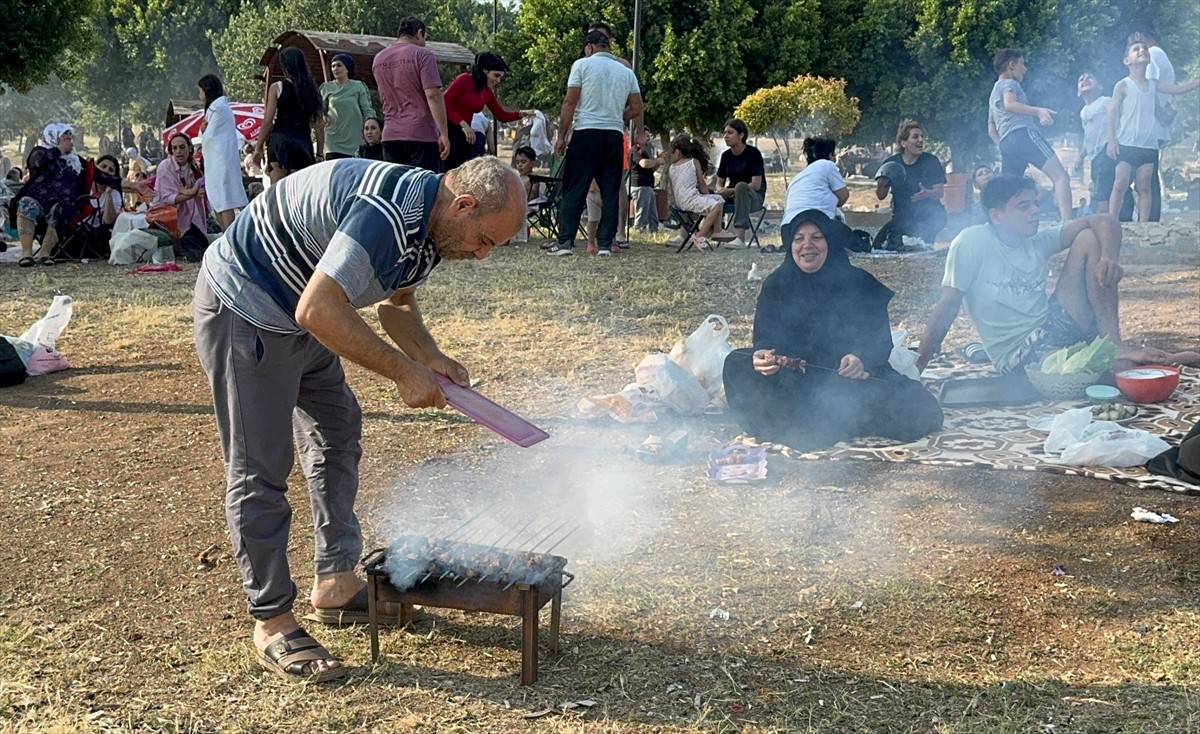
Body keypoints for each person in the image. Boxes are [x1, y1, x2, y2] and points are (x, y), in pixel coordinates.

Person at [192, 156, 526, 683]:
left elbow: (397, 304)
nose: (482, 255)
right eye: (484, 239)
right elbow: (319, 311)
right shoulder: (387, 215)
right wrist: (402, 372)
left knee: (337, 428)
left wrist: (429, 356)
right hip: (249, 306)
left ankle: (334, 582)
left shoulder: (435, 225)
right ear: (463, 205)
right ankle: (273, 622)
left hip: (301, 308)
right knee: (261, 466)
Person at [916, 174, 1200, 375]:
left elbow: (1105, 220)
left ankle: (1113, 343)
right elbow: (946, 307)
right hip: (1018, 354)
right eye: (1024, 206)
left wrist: (1109, 259)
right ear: (996, 216)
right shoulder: (972, 241)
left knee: (1089, 237)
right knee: (1109, 373)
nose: (1036, 211)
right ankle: (1143, 360)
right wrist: (919, 366)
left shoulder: (1036, 240)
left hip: (1054, 327)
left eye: (1036, 203)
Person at [722, 209, 943, 450]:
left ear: (829, 241)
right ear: (790, 245)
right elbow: (764, 338)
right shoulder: (777, 284)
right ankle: (828, 422)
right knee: (736, 362)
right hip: (793, 382)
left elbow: (879, 341)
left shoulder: (858, 282)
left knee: (923, 410)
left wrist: (860, 358)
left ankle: (827, 422)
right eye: (799, 239)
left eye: (816, 237)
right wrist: (761, 358)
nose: (807, 245)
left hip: (847, 381)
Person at [547, 29, 643, 256]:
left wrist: (561, 136)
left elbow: (570, 102)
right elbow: (638, 107)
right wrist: (619, 117)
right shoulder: (625, 71)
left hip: (586, 132)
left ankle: (565, 242)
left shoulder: (581, 65)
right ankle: (605, 243)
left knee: (574, 188)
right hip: (613, 135)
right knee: (610, 190)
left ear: (589, 48)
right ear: (609, 47)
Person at [8, 123, 148, 267]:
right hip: (37, 199)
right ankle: (26, 254)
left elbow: (104, 177)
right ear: (54, 137)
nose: (69, 139)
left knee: (64, 208)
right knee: (26, 203)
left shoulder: (76, 161)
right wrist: (60, 150)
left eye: (70, 136)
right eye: (65, 136)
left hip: (63, 203)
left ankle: (45, 253)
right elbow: (37, 162)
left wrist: (134, 185)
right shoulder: (40, 152)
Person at [1105, 41, 1199, 221]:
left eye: (1144, 49)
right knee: (1120, 183)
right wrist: (1111, 140)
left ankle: (1143, 225)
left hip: (1148, 145)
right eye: (1136, 49)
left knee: (1144, 185)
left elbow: (1178, 89)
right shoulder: (1123, 85)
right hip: (1126, 142)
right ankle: (1111, 221)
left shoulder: (1154, 84)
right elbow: (1111, 112)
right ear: (1127, 61)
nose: (1142, 51)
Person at [987, 48, 1073, 221]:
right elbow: (1010, 104)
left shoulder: (993, 93)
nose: (1025, 69)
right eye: (1023, 64)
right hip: (1024, 134)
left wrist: (1003, 147)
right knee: (1061, 177)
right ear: (1012, 64)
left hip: (1006, 142)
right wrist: (1039, 111)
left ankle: (1004, 227)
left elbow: (990, 129)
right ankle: (1068, 223)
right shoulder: (1010, 84)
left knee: (1010, 191)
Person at [373, 16, 450, 171]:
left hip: (390, 135)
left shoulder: (378, 59)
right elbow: (433, 95)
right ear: (419, 33)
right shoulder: (422, 54)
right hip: (420, 134)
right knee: (422, 189)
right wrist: (444, 134)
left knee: (395, 190)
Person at [442, 52, 532, 170]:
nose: (498, 81)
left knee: (462, 170)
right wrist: (462, 123)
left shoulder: (487, 92)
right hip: (449, 128)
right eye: (496, 76)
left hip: (465, 134)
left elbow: (501, 115)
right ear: (485, 71)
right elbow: (444, 103)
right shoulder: (464, 79)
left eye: (500, 77)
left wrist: (522, 114)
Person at [253, 47, 324, 184]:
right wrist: (319, 153)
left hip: (280, 140)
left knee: (278, 191)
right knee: (299, 192)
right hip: (302, 143)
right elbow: (319, 125)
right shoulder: (312, 90)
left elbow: (268, 122)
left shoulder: (277, 87)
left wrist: (258, 147)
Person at [874, 120, 946, 249]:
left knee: (921, 247)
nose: (921, 140)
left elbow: (940, 192)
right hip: (902, 218)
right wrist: (882, 183)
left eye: (921, 137)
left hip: (929, 216)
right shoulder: (891, 163)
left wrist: (926, 194)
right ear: (904, 143)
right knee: (878, 246)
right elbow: (880, 196)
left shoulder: (931, 161)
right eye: (915, 137)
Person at [775, 137, 849, 254]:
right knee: (856, 241)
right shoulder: (828, 165)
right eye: (834, 154)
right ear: (830, 155)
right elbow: (843, 197)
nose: (835, 158)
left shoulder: (798, 177)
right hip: (816, 225)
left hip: (788, 233)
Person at [666, 135, 737, 251]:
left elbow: (672, 189)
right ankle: (700, 235)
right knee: (716, 205)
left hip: (681, 201)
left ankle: (718, 231)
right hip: (690, 199)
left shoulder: (672, 167)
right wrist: (707, 195)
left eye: (672, 153)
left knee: (719, 199)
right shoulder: (693, 162)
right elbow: (702, 184)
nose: (672, 156)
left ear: (678, 152)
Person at [199, 74, 250, 230]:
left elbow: (210, 137)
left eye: (200, 91)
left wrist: (204, 133)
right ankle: (225, 236)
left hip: (221, 161)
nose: (199, 95)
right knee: (218, 201)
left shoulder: (220, 109)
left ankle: (230, 236)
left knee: (224, 200)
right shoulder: (215, 110)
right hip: (215, 162)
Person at [715, 119, 766, 248]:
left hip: (752, 197)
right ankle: (704, 233)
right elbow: (719, 182)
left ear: (741, 135)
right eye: (724, 133)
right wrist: (721, 190)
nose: (725, 136)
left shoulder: (753, 153)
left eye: (730, 132)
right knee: (706, 190)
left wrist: (731, 191)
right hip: (732, 196)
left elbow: (756, 185)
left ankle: (740, 238)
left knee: (741, 186)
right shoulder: (726, 156)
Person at [155, 133, 210, 251]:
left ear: (189, 148)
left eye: (182, 147)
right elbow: (168, 199)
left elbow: (202, 187)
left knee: (202, 243)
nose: (178, 151)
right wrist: (192, 193)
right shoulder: (164, 167)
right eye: (175, 148)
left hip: (190, 216)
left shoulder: (195, 164)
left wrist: (190, 192)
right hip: (167, 218)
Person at [320, 54, 374, 161]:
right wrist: (322, 116)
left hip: (355, 139)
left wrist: (370, 127)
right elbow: (319, 110)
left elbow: (367, 109)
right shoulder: (326, 88)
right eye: (333, 66)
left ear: (347, 68)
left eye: (339, 65)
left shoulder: (358, 86)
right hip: (333, 140)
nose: (335, 69)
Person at [1077, 72, 1114, 213]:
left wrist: (1112, 142)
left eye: (1090, 77)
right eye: (1081, 79)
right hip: (1094, 157)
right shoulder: (1083, 112)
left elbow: (1117, 122)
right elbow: (1088, 136)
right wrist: (1081, 156)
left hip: (1106, 150)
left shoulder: (1105, 101)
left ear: (1100, 87)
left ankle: (1105, 219)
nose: (1085, 79)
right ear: (1078, 92)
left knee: (1103, 190)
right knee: (1098, 187)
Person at [630, 137, 660, 232]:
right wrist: (657, 161)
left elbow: (651, 168)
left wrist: (657, 161)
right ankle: (638, 230)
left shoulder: (644, 153)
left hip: (648, 186)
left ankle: (653, 230)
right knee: (642, 212)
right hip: (640, 185)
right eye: (645, 136)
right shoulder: (634, 151)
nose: (648, 139)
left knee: (652, 213)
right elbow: (644, 164)